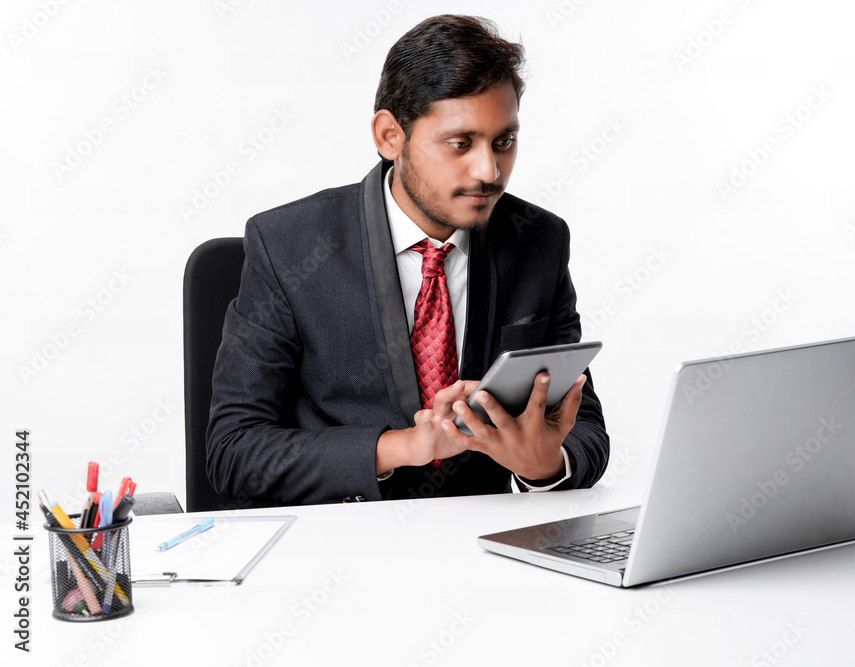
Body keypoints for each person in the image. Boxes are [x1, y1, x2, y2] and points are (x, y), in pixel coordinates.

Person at [206, 14, 610, 505]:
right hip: (335, 542)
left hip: (481, 547)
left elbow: (585, 429)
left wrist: (543, 465)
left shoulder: (539, 240)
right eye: (460, 144)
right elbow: (233, 452)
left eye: (503, 141)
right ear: (389, 136)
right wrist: (400, 447)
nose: (489, 170)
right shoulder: (287, 244)